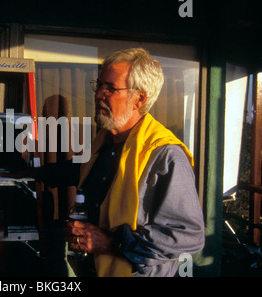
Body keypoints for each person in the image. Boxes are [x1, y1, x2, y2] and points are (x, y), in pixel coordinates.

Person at [10, 48, 205, 277]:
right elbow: (83, 171)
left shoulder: (165, 155)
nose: (98, 94)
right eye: (99, 85)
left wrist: (112, 243)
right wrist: (32, 172)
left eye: (110, 88)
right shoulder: (106, 141)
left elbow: (188, 236)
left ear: (139, 99)